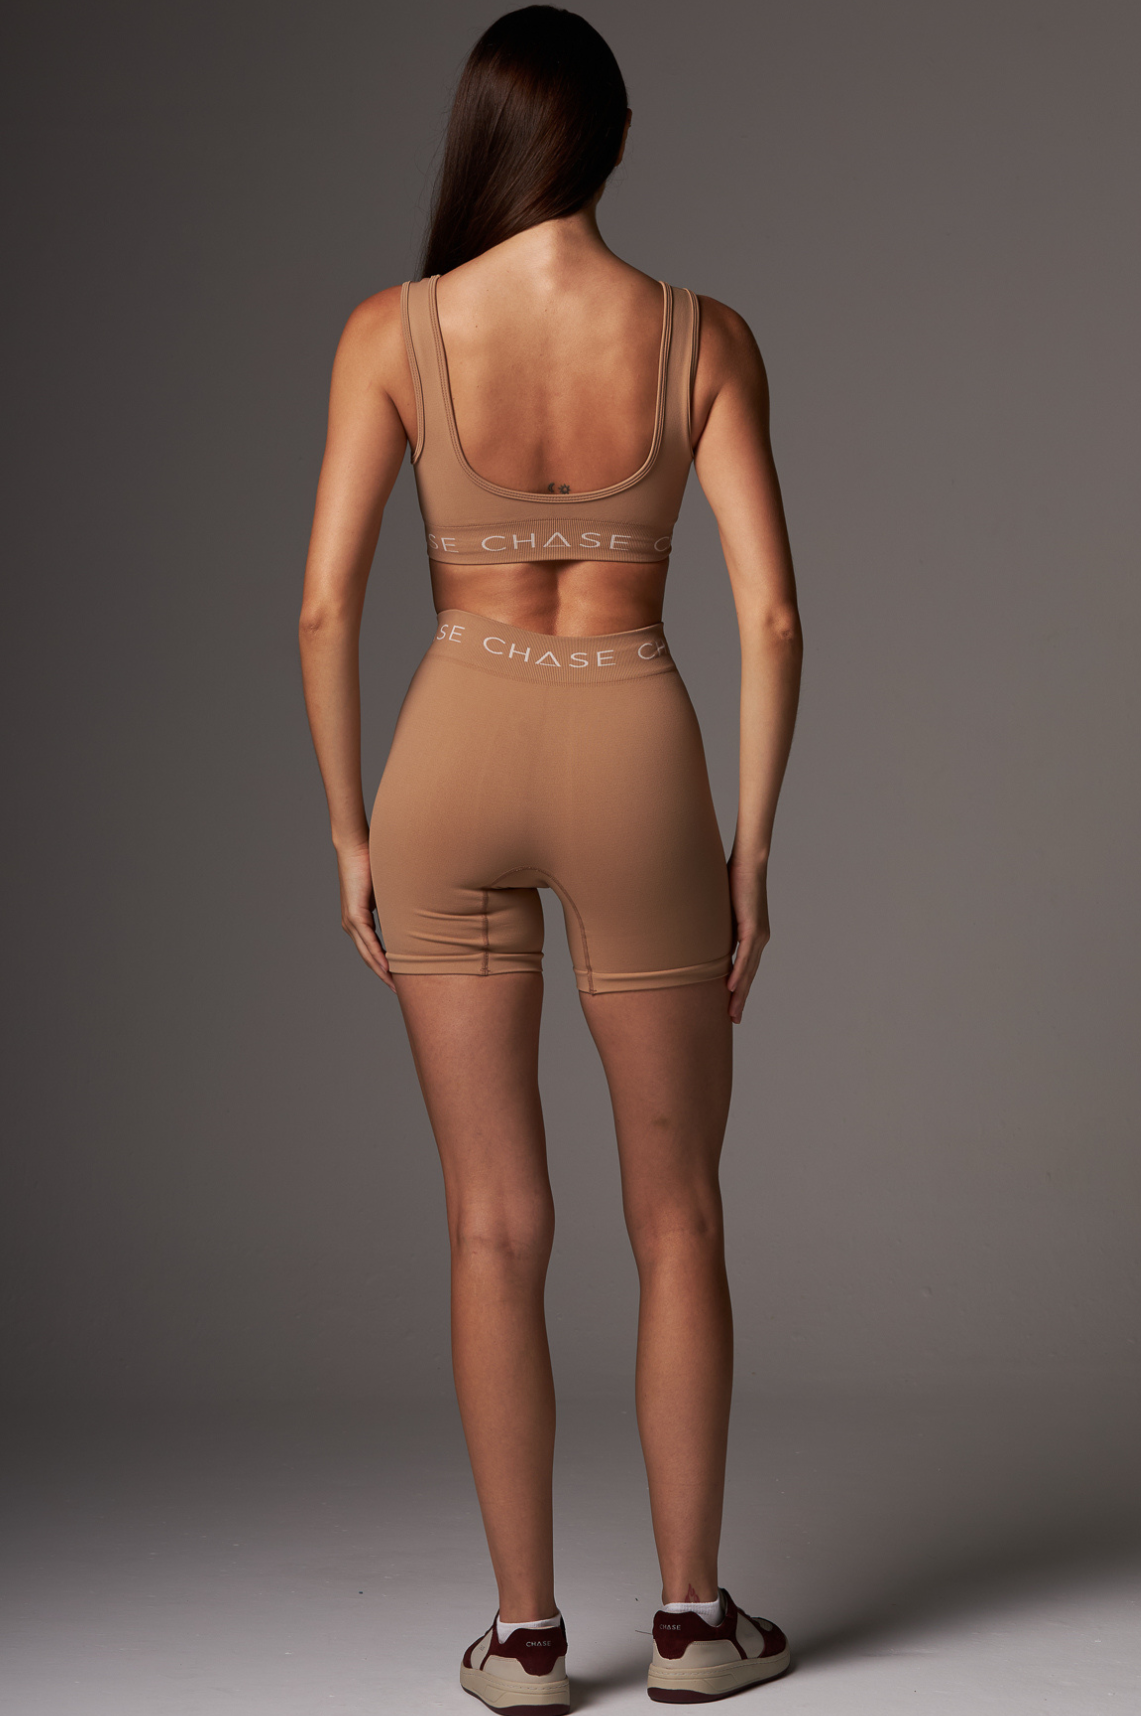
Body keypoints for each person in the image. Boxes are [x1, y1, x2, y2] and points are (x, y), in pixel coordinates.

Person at [299, 7, 802, 1706]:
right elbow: (773, 616)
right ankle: (690, 1625)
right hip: (633, 744)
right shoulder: (702, 335)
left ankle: (522, 1641)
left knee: (491, 1226)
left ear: (483, 139)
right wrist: (750, 851)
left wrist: (351, 825)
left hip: (449, 746)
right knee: (679, 1215)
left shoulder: (393, 330)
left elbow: (323, 606)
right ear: (613, 139)